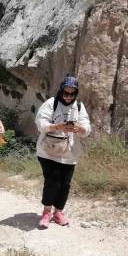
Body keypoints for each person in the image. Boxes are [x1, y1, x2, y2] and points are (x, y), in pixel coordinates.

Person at [35, 75, 91, 228]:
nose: (68, 97)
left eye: (72, 94)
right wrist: (56, 127)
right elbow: (40, 123)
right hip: (48, 150)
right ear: (60, 91)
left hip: (69, 152)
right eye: (66, 93)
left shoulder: (79, 107)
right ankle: (46, 212)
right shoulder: (51, 103)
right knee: (52, 181)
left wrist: (80, 128)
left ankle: (58, 212)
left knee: (65, 184)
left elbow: (87, 126)